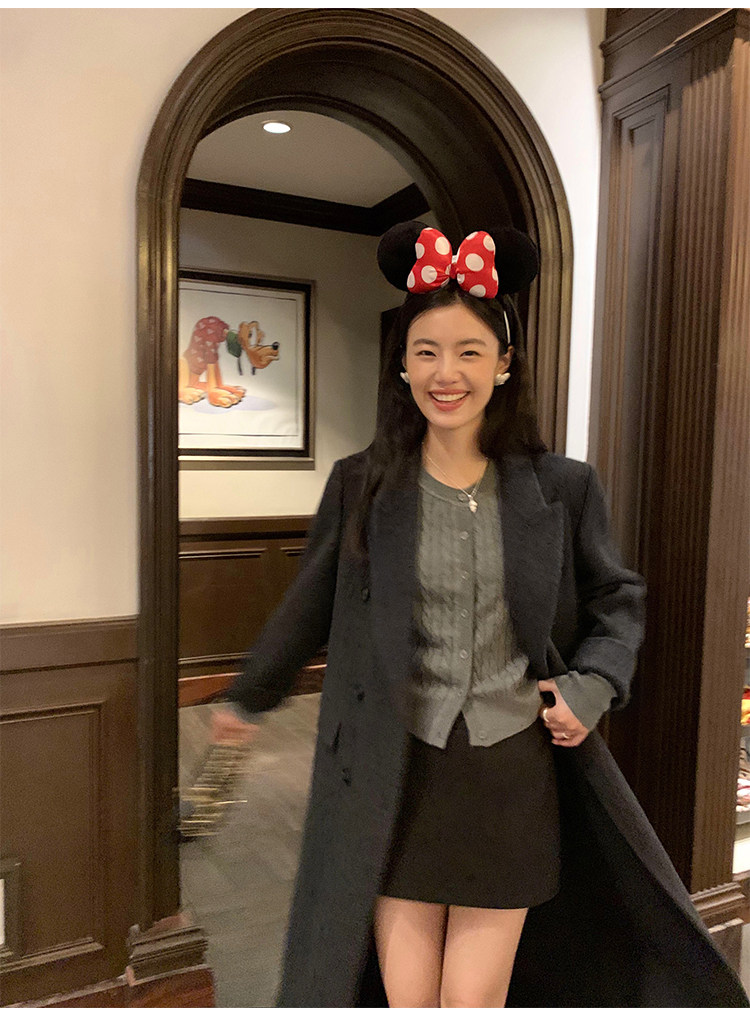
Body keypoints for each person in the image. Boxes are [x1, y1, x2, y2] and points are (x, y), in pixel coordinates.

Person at [212, 222, 749, 1008]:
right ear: (402, 364)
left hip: (510, 781)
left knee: (471, 1002)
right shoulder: (362, 485)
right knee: (407, 1000)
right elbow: (310, 603)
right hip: (395, 778)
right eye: (426, 351)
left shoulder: (562, 487)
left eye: (469, 351)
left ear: (503, 364)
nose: (446, 372)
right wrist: (248, 697)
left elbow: (618, 599)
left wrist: (593, 686)